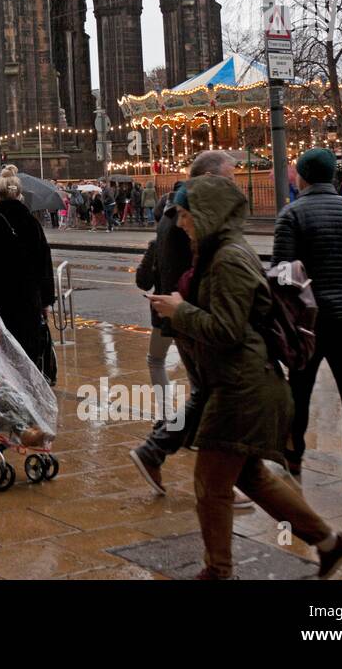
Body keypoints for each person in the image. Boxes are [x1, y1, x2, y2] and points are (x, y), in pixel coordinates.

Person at [148, 176, 342, 579]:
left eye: (186, 215)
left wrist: (179, 311)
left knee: (210, 484)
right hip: (236, 383)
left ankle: (218, 571)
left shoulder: (228, 259)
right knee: (252, 476)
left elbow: (227, 330)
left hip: (243, 388)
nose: (182, 224)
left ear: (206, 215)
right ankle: (329, 543)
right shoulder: (217, 253)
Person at [129, 153, 248, 509]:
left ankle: (158, 451)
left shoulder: (174, 210)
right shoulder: (188, 216)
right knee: (214, 397)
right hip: (192, 317)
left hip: (185, 317)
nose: (234, 183)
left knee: (207, 395)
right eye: (228, 177)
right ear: (209, 178)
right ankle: (222, 481)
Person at [273, 148, 342, 506]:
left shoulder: (292, 214)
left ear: (303, 178)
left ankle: (294, 457)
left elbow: (282, 274)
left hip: (308, 322)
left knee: (300, 390)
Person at [0, 165, 54, 372]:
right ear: (19, 194)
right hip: (27, 300)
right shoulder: (31, 222)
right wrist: (45, 301)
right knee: (26, 358)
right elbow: (44, 264)